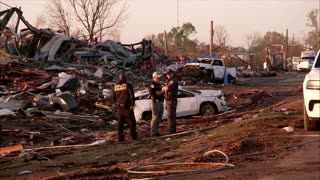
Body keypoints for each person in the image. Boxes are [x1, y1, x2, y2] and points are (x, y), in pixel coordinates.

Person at [112, 72, 137, 142]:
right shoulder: (128, 85)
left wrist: (115, 104)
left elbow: (113, 97)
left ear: (119, 78)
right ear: (125, 78)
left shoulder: (115, 86)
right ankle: (133, 136)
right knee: (132, 122)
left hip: (119, 107)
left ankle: (121, 138)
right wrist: (132, 104)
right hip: (127, 107)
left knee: (120, 123)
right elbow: (131, 95)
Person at [162, 69, 179, 134]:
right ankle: (171, 129)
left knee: (170, 115)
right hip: (168, 100)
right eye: (167, 74)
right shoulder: (169, 80)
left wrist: (164, 88)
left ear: (172, 73)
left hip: (171, 100)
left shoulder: (173, 80)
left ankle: (172, 130)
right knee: (170, 115)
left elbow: (167, 89)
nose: (167, 75)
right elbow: (165, 88)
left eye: (169, 74)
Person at [149, 71, 164, 137]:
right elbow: (157, 93)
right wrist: (163, 91)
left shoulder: (159, 84)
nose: (159, 79)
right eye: (158, 77)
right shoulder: (152, 84)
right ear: (154, 77)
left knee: (159, 117)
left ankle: (157, 131)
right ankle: (153, 132)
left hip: (160, 101)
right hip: (155, 102)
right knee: (155, 117)